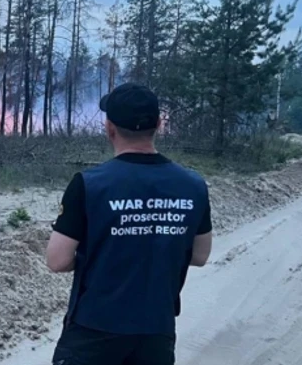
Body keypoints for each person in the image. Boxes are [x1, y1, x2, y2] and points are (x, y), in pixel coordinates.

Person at [46, 82, 213, 365]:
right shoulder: (193, 185)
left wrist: (98, 254)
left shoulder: (89, 185)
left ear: (109, 127)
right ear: (158, 124)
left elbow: (57, 260)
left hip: (94, 329)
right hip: (155, 330)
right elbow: (200, 255)